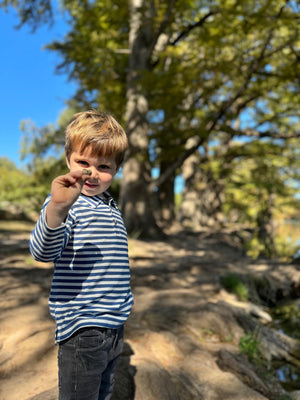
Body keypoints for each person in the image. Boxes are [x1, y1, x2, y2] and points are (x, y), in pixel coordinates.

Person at [29, 110, 134, 400]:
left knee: (104, 392)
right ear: (68, 161)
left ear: (116, 169)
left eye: (104, 166)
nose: (91, 173)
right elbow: (42, 251)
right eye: (83, 162)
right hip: (82, 328)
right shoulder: (65, 203)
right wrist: (57, 211)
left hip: (114, 326)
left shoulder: (109, 204)